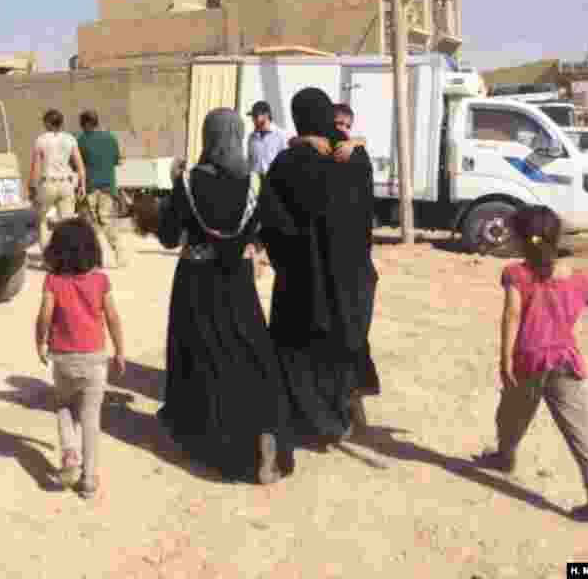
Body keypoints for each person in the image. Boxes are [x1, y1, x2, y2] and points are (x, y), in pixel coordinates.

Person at [146, 108, 295, 484]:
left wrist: (171, 190)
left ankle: (207, 436)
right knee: (247, 351)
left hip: (196, 281)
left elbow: (168, 236)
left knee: (200, 354)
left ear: (207, 137)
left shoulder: (188, 181)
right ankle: (263, 431)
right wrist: (252, 245)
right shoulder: (255, 183)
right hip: (238, 282)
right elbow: (279, 227)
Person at [474, 205, 588, 524]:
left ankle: (505, 456)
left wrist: (505, 358)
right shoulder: (576, 278)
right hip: (565, 359)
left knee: (511, 414)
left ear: (522, 241)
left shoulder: (516, 275)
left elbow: (512, 314)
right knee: (578, 428)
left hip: (529, 360)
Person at [260, 87, 379, 442]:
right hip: (349, 277)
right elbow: (367, 217)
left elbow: (272, 221)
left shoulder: (288, 162)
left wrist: (288, 262)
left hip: (302, 280)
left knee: (299, 348)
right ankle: (342, 415)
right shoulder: (355, 158)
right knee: (341, 344)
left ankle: (309, 420)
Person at [36, 218, 127, 500]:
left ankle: (69, 452)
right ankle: (88, 478)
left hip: (63, 357)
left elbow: (44, 316)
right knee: (90, 417)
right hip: (95, 359)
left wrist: (40, 342)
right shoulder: (101, 280)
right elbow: (112, 317)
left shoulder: (53, 281)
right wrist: (120, 351)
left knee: (63, 404)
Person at [29, 109, 86, 252]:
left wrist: (32, 187)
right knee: (67, 224)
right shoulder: (70, 139)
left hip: (48, 183)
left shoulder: (41, 140)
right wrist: (82, 186)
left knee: (42, 220)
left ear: (48, 123)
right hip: (66, 183)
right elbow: (80, 166)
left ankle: (46, 255)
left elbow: (35, 168)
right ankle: (67, 255)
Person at [76, 110, 127, 268]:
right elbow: (118, 160)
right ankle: (119, 253)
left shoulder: (81, 139)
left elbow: (76, 164)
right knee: (106, 220)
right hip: (108, 186)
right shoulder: (110, 138)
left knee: (90, 223)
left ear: (86, 123)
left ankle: (95, 258)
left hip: (90, 186)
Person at [288, 102, 367, 163]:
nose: (344, 129)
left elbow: (363, 140)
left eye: (348, 126)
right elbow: (291, 141)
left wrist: (351, 143)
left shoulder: (347, 142)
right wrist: (310, 139)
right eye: (339, 123)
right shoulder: (321, 137)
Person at [246, 100, 290, 177]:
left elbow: (286, 163)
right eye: (252, 117)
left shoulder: (282, 136)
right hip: (255, 180)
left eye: (255, 116)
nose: (253, 120)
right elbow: (250, 162)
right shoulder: (251, 137)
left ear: (266, 115)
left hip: (275, 180)